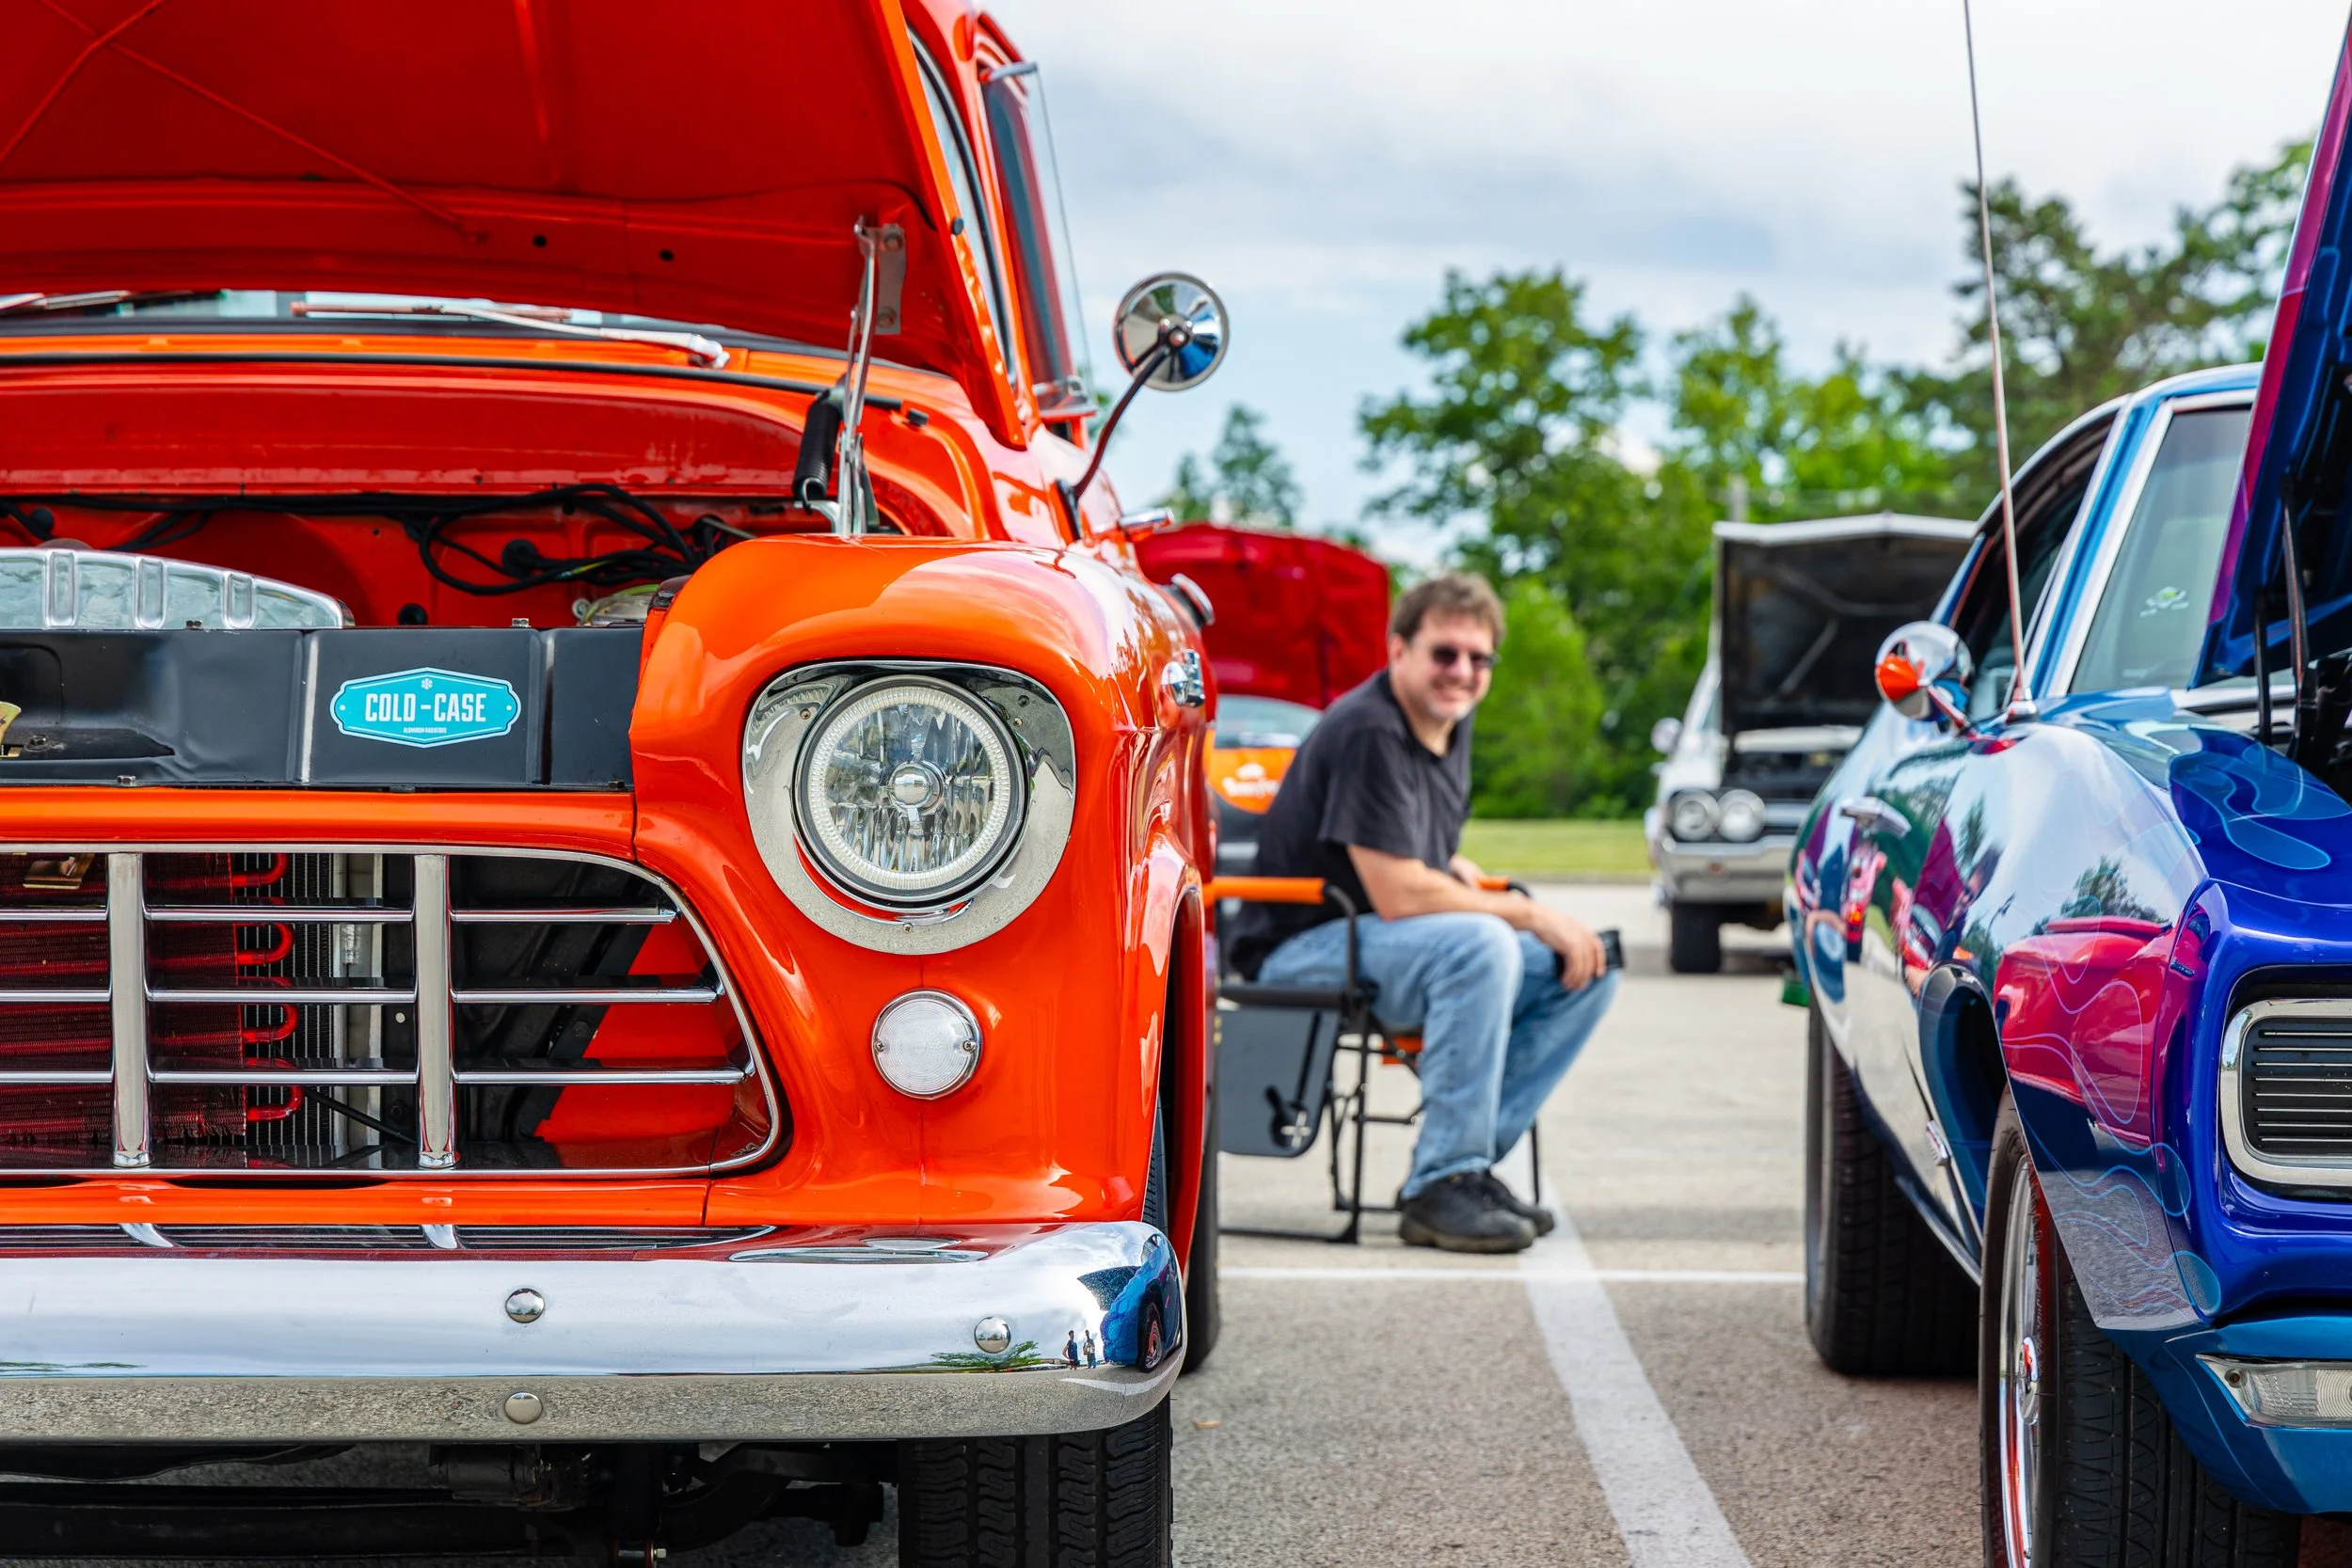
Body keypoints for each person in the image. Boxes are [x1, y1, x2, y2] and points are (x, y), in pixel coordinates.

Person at [1226, 573, 1618, 1253]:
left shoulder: (1446, 726)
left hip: (1376, 937)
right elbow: (1399, 893)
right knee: (1483, 942)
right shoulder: (1371, 729)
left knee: (1586, 962)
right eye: (1444, 653)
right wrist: (1524, 912)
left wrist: (1466, 872)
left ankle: (1460, 1163)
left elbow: (1420, 850)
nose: (1461, 672)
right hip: (1299, 944)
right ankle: (1442, 1180)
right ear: (1398, 649)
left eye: (1478, 658)